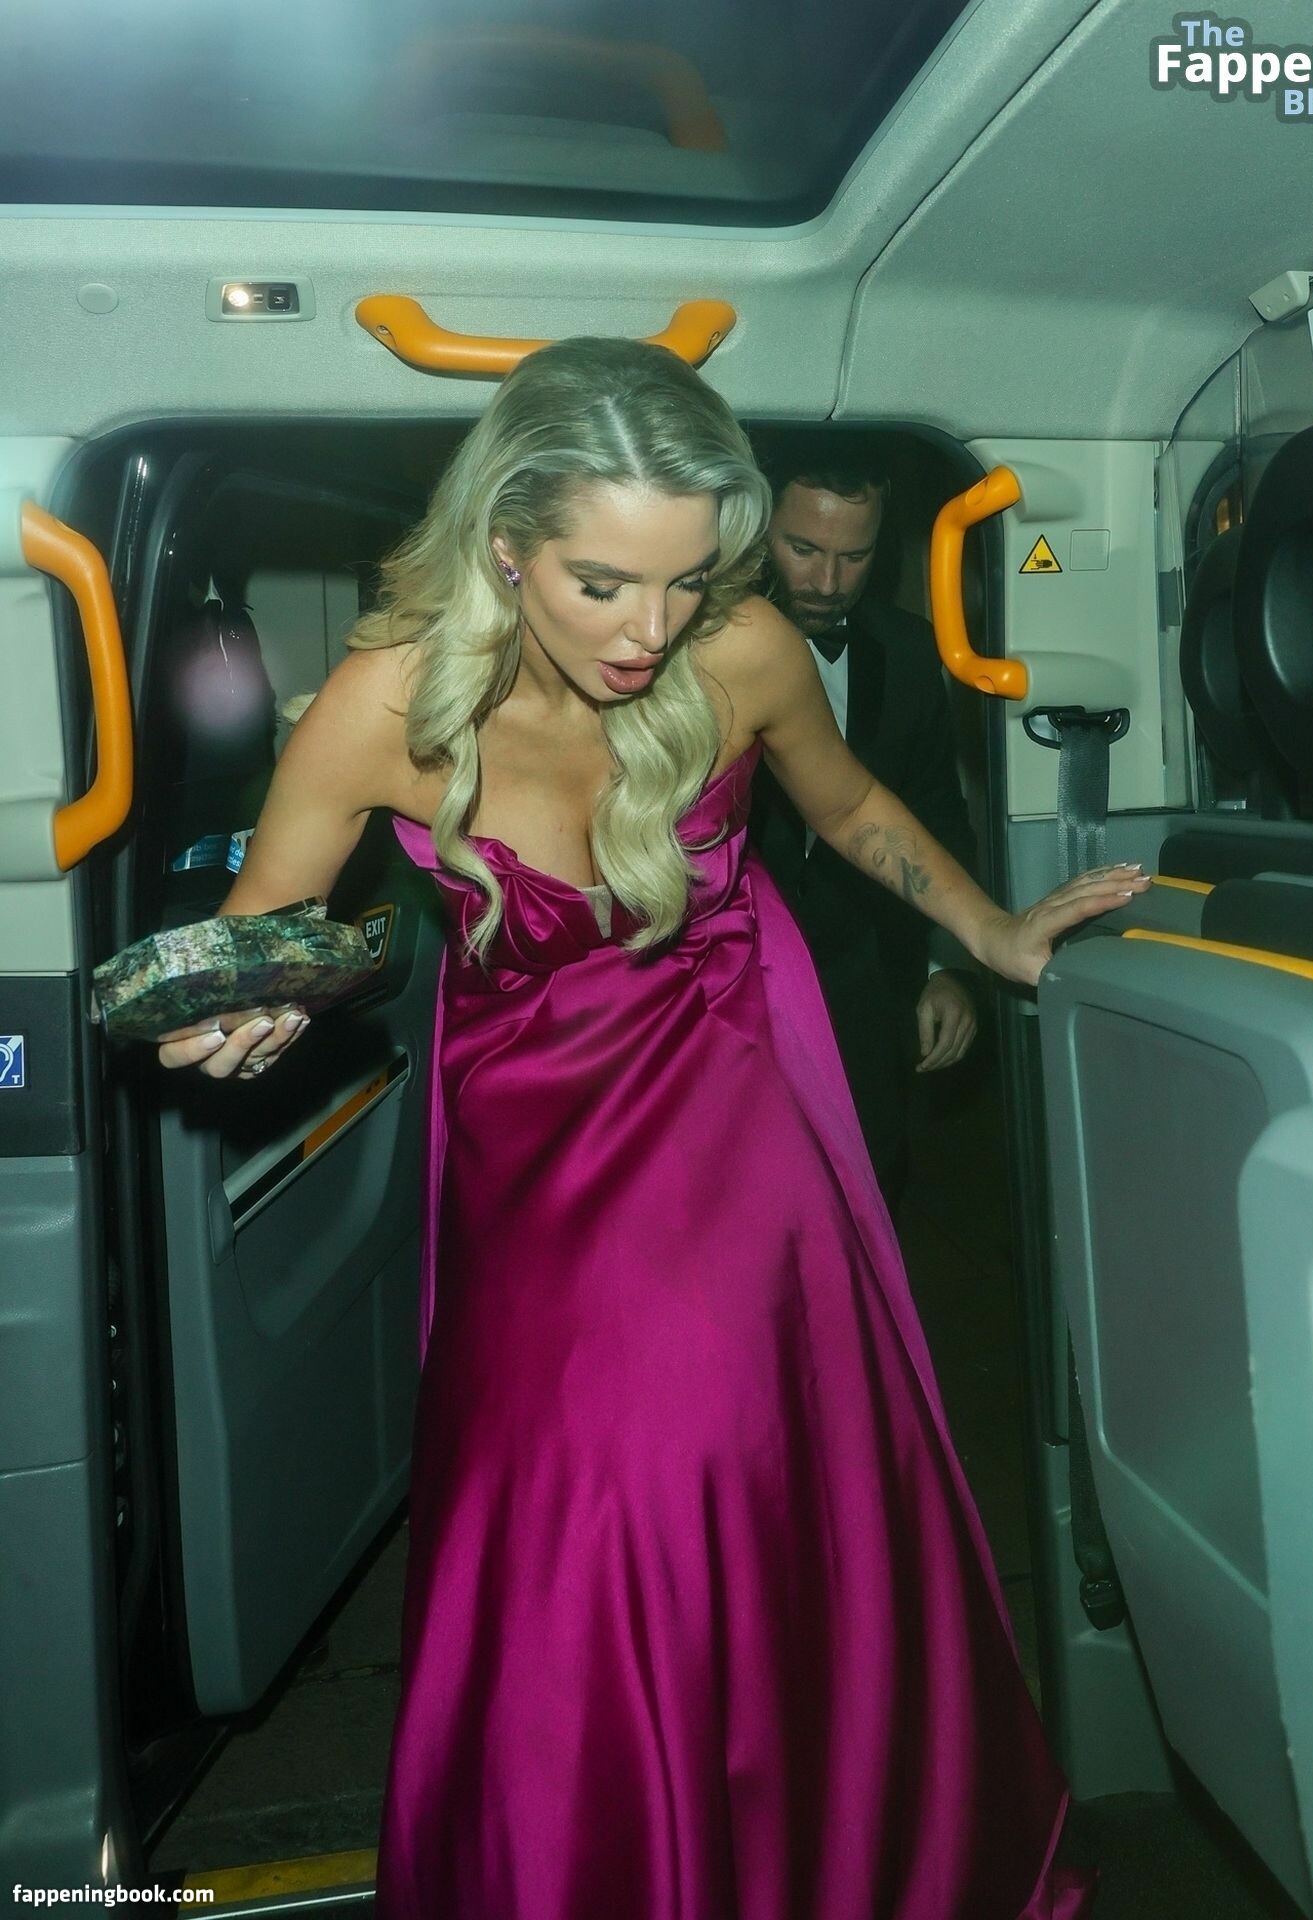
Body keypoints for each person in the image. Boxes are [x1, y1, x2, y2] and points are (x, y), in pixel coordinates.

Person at [156, 337, 1148, 1918]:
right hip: (531, 1145)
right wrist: (248, 1006)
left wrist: (993, 933)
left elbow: (850, 806)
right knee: (570, 1512)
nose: (650, 630)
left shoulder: (741, 648)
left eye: (686, 581)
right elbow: (263, 934)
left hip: (733, 1098)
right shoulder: (382, 703)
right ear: (505, 546)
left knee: (750, 1472)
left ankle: (813, 1854)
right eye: (603, 583)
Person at [750, 433, 980, 1212]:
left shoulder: (909, 652)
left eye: (854, 556)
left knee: (870, 1202)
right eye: (803, 549)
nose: (826, 583)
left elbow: (938, 816)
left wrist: (947, 966)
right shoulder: (703, 651)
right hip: (734, 996)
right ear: (757, 529)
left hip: (868, 990)